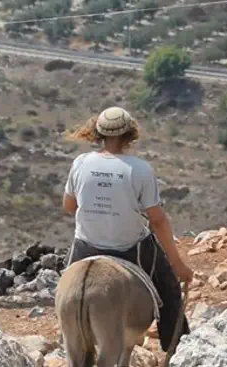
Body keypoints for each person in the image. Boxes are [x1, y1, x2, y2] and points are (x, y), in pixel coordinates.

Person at [62, 106, 194, 352]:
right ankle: (177, 349)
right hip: (130, 250)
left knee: (64, 287)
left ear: (97, 133)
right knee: (169, 289)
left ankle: (66, 333)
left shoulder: (80, 163)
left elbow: (69, 206)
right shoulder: (140, 169)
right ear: (130, 135)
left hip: (85, 247)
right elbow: (157, 221)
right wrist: (177, 265)